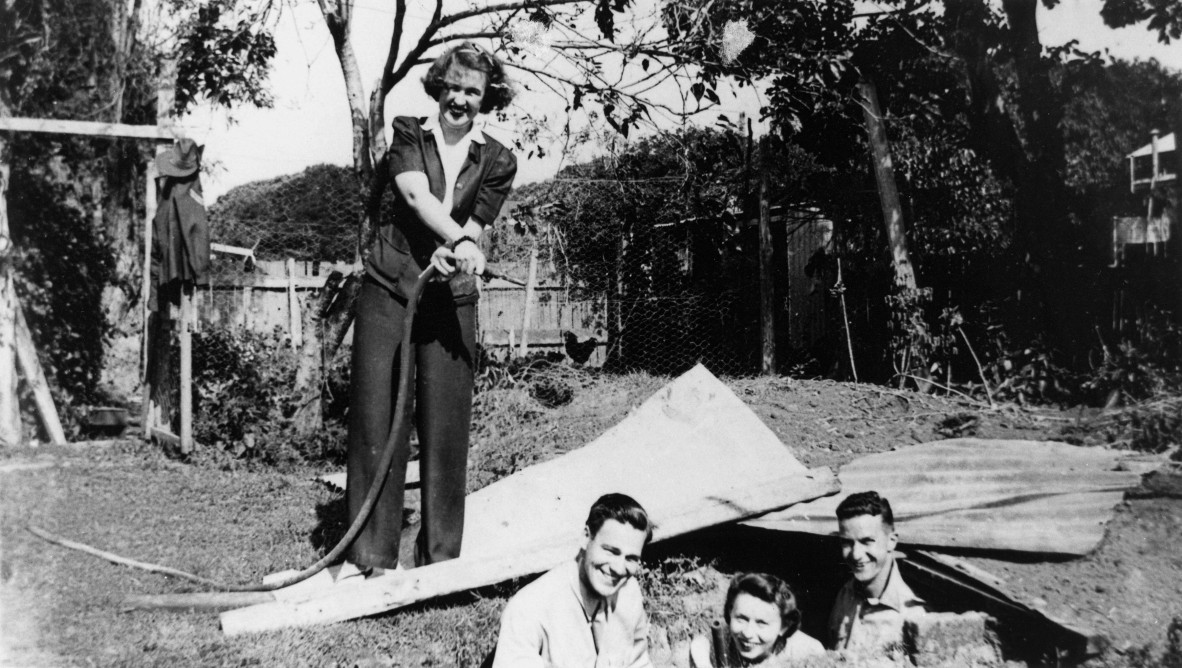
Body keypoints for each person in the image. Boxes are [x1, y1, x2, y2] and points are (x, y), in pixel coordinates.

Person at [346, 41, 517, 572]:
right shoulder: (407, 132)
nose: (460, 99)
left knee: (446, 429)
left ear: (487, 97)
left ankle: (439, 559)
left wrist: (462, 251)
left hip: (449, 304)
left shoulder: (499, 158)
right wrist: (460, 245)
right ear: (438, 86)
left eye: (473, 90)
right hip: (390, 288)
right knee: (378, 421)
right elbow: (415, 197)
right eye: (454, 87)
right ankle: (372, 556)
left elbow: (475, 227)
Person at [491, 493, 656, 668]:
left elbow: (639, 663)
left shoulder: (629, 594)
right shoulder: (529, 609)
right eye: (610, 551)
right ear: (586, 537)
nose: (618, 568)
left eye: (631, 558)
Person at [828, 491, 925, 655]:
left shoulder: (912, 615)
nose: (856, 554)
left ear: (891, 542)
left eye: (867, 542)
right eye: (847, 543)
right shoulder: (845, 595)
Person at [688, 573, 825, 667]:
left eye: (761, 623)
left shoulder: (808, 653)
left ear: (784, 626)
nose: (748, 633)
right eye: (741, 619)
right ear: (730, 612)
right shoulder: (708, 645)